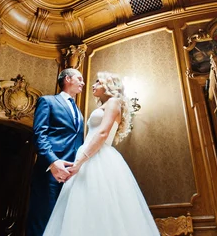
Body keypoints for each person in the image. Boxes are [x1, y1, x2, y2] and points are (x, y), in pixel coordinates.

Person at [42, 72, 160, 236]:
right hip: (88, 156)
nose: (92, 85)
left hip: (97, 158)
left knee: (100, 204)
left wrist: (80, 162)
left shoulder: (114, 102)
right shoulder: (105, 105)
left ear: (109, 84)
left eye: (98, 81)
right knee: (83, 206)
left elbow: (103, 133)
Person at [26, 68, 85, 236]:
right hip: (49, 172)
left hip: (71, 175)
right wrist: (53, 161)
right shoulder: (47, 101)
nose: (83, 82)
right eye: (79, 78)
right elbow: (39, 135)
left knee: (63, 223)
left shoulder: (78, 112)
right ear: (67, 79)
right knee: (43, 219)